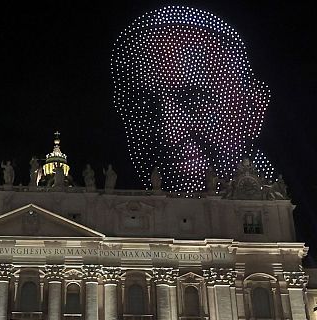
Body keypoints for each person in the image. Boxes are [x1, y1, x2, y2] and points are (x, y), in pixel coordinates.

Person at [112, 5, 274, 195]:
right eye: (146, 105)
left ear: (255, 107)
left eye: (194, 100)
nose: (170, 133)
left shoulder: (272, 194)